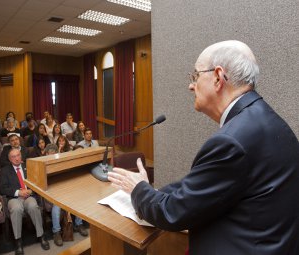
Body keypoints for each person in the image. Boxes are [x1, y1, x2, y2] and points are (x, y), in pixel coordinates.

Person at [108, 40, 299, 255]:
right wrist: (153, 191)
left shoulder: (233, 141)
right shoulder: (267, 120)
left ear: (218, 77)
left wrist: (138, 189)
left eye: (195, 76)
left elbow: (172, 213)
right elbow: (205, 184)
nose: (191, 85)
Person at [0, 148, 50, 254]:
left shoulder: (28, 167)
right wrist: (18, 192)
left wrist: (30, 190)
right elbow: (2, 188)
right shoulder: (4, 170)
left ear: (21, 156)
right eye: (13, 156)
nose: (17, 158)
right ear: (9, 159)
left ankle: (41, 236)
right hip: (14, 198)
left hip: (28, 196)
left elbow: (37, 181)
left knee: (33, 206)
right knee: (16, 209)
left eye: (18, 155)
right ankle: (18, 241)